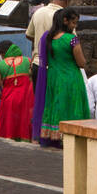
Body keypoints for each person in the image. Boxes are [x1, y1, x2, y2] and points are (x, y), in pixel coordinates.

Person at [33, 8, 90, 148]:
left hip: (53, 78)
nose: (74, 26)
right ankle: (72, 136)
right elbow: (81, 63)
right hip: (71, 78)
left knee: (56, 105)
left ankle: (55, 135)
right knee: (73, 106)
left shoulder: (47, 38)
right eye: (73, 23)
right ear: (65, 21)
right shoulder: (72, 39)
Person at [0, 40, 35, 141]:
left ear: (2, 53)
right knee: (24, 125)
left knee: (9, 128)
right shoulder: (28, 61)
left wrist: (4, 98)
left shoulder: (0, 65)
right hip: (26, 99)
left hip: (8, 101)